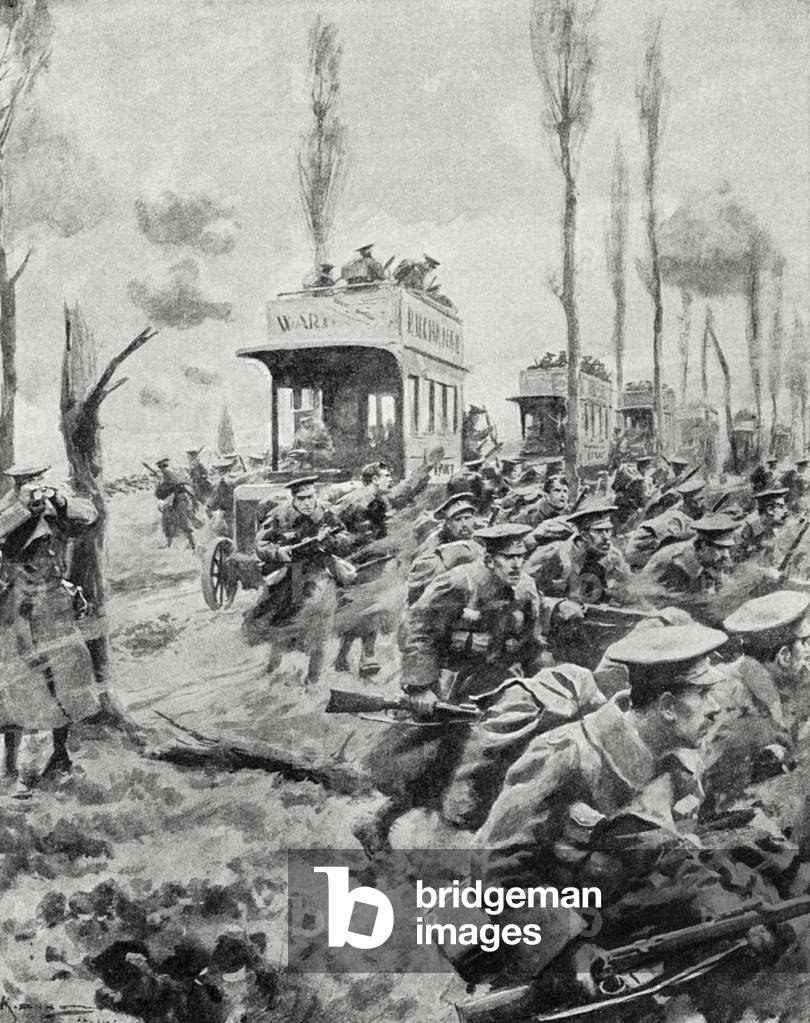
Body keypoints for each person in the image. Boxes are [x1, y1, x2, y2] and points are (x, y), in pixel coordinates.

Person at [472, 624, 729, 983]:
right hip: (536, 942)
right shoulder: (566, 754)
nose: (715, 709)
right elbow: (496, 867)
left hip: (617, 930)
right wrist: (568, 948)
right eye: (703, 694)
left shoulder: (681, 766)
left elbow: (669, 853)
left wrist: (719, 908)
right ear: (668, 706)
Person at [354, 523, 548, 857]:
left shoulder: (526, 589)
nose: (516, 564)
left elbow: (533, 644)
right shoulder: (459, 583)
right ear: (490, 558)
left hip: (500, 685)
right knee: (433, 761)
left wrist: (543, 685)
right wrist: (420, 687)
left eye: (521, 556)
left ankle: (476, 843)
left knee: (494, 762)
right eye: (508, 557)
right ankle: (377, 822)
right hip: (451, 685)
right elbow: (418, 629)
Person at [0, 464, 99, 793]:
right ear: (16, 484)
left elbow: (89, 514)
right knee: (25, 685)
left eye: (39, 480)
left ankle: (59, 755)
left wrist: (59, 499)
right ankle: (19, 773)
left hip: (56, 600)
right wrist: (21, 508)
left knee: (70, 673)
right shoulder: (9, 508)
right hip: (21, 604)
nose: (36, 487)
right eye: (28, 482)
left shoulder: (56, 506)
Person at [242, 477, 352, 686]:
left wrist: (331, 541)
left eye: (310, 497)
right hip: (291, 573)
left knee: (321, 622)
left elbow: (345, 537)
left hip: (320, 570)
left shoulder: (326, 514)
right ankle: (273, 666)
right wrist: (278, 552)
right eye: (302, 499)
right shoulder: (280, 515)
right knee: (282, 620)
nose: (307, 503)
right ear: (294, 498)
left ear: (316, 495)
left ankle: (313, 680)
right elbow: (261, 543)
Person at [704, 590, 810, 805]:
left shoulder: (762, 677)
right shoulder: (728, 700)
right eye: (805, 643)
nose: (809, 652)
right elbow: (720, 795)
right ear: (784, 656)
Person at [333, 462, 394, 676]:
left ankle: (352, 656)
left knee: (369, 608)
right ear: (375, 479)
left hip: (376, 561)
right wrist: (351, 540)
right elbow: (331, 522)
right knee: (363, 608)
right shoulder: (354, 500)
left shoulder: (382, 501)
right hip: (356, 564)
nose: (390, 479)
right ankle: (363, 655)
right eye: (386, 475)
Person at [525, 500, 630, 604]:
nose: (606, 538)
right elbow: (523, 585)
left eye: (608, 531)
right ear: (584, 535)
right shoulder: (555, 553)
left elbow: (626, 587)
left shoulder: (613, 556)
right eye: (599, 532)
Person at [407, 492, 481, 605]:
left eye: (468, 518)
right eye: (458, 519)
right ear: (448, 523)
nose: (464, 524)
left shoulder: (478, 536)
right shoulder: (434, 543)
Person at [641, 513, 739, 595]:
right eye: (720, 548)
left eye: (727, 548)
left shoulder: (706, 558)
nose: (726, 555)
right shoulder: (678, 564)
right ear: (703, 545)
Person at [155, 458, 200, 551]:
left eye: (163, 467)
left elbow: (172, 487)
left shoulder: (170, 475)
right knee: (168, 523)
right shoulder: (164, 476)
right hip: (172, 501)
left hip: (178, 500)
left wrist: (164, 488)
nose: (162, 469)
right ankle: (169, 544)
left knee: (183, 523)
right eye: (160, 467)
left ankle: (193, 545)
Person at [738, 486, 790, 563]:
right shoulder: (747, 527)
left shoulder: (770, 527)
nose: (785, 511)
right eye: (781, 507)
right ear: (769, 510)